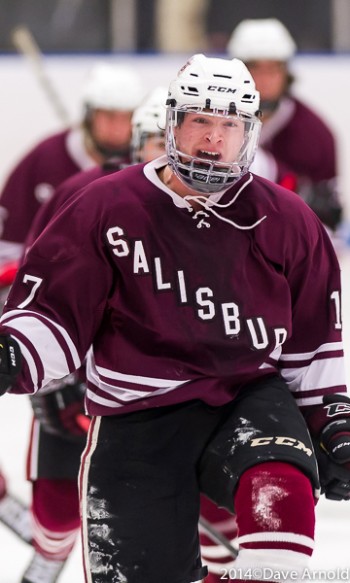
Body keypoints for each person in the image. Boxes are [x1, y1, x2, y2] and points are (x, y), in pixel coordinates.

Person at [0, 53, 349, 583]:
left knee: (280, 516)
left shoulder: (288, 221)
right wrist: (16, 353)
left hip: (247, 397)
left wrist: (332, 419)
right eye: (200, 121)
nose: (213, 139)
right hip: (136, 413)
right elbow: (55, 314)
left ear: (249, 134)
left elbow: (312, 344)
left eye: (229, 125)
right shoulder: (105, 208)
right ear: (172, 124)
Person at [0, 62, 144, 583]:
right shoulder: (65, 180)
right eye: (109, 118)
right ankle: (46, 555)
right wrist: (45, 372)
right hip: (64, 356)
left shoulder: (183, 198)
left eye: (132, 123)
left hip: (136, 380)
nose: (122, 134)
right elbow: (25, 272)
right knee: (58, 509)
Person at [227, 18, 343, 235]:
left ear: (286, 73)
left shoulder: (316, 136)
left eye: (273, 69)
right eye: (255, 68)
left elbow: (328, 220)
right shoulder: (212, 124)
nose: (263, 80)